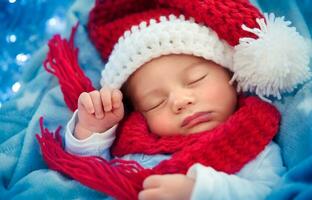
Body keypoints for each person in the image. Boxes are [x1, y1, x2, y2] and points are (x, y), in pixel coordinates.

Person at [56, 0, 310, 199]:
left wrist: (200, 191)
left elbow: (271, 193)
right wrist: (92, 130)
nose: (180, 100)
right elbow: (89, 174)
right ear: (139, 113)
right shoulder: (131, 144)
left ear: (231, 76)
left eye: (196, 79)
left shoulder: (257, 144)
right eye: (154, 103)